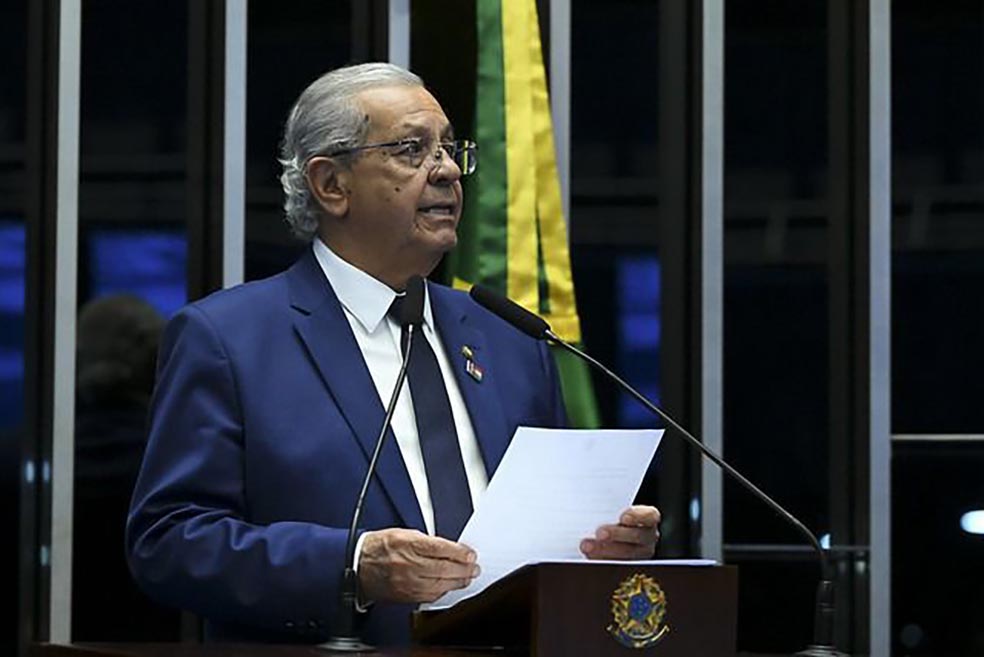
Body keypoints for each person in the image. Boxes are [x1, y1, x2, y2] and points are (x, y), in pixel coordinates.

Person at [126, 62, 660, 646]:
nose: (448, 170)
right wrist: (352, 566)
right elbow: (169, 541)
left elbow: (548, 533)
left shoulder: (511, 341)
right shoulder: (229, 340)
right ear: (332, 184)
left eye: (450, 149)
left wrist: (600, 547)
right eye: (412, 150)